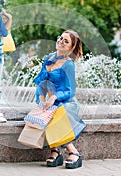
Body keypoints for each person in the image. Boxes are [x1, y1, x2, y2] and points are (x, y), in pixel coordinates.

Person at [34, 30, 84, 169]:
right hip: (50, 101)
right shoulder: (49, 58)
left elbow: (70, 90)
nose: (61, 42)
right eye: (60, 38)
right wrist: (41, 99)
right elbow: (41, 82)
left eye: (66, 41)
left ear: (71, 48)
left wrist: (54, 97)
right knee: (46, 112)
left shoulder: (68, 64)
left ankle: (73, 152)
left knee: (57, 113)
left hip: (66, 102)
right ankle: (55, 151)